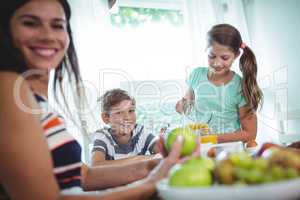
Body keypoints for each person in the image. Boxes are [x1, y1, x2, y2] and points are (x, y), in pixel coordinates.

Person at [0, 0, 192, 199]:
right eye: (30, 23)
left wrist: (153, 166)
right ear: (6, 29)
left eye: (57, 25)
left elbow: (84, 174)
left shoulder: (35, 96)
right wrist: (150, 184)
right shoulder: (8, 86)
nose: (48, 35)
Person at [176, 23, 263, 144]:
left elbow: (250, 133)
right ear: (206, 50)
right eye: (212, 56)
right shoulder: (196, 75)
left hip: (230, 151)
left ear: (236, 55)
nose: (217, 63)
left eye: (224, 58)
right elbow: (186, 104)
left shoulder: (240, 87)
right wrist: (182, 105)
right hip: (200, 148)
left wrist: (212, 139)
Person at [92, 88, 160, 166]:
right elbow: (96, 165)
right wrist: (139, 159)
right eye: (119, 112)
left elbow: (163, 154)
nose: (127, 117)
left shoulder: (141, 132)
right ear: (106, 117)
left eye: (131, 111)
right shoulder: (103, 136)